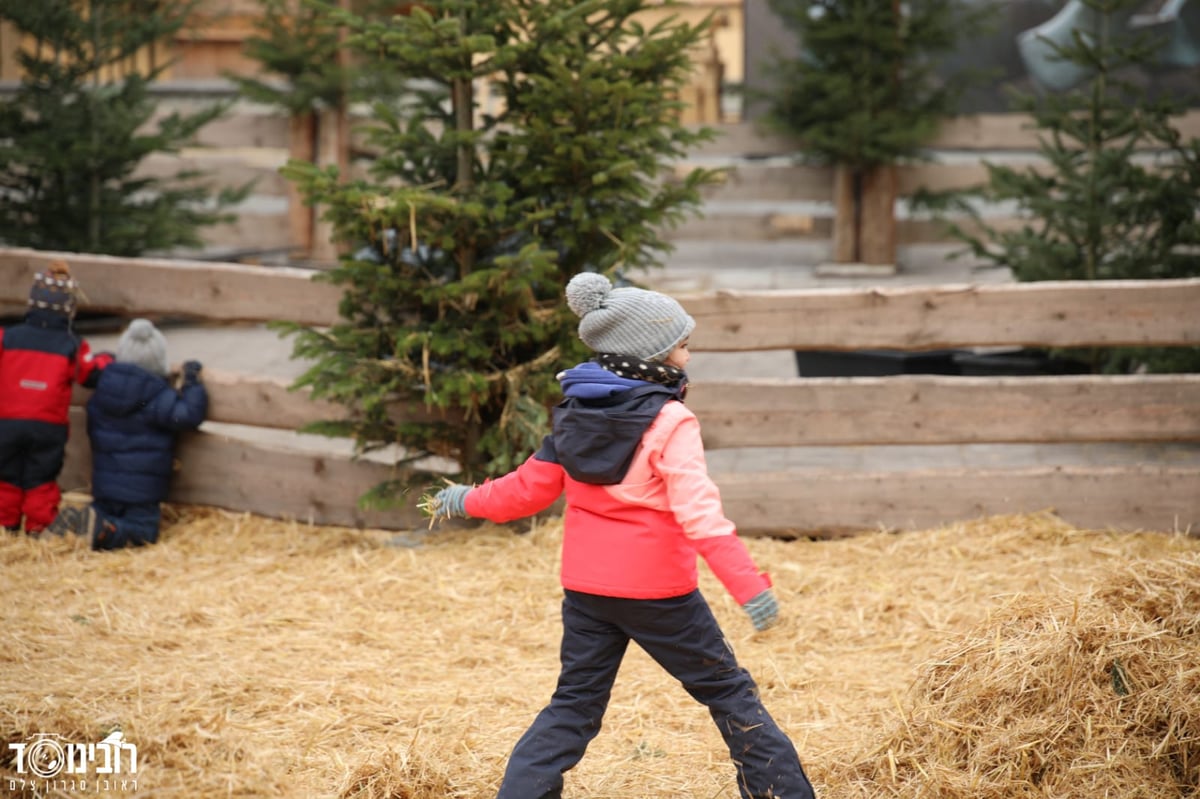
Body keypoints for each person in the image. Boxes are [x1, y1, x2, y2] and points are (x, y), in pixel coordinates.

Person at [426, 272, 816, 799]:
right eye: (680, 345)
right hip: (660, 595)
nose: (688, 356)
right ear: (650, 356)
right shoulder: (671, 422)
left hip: (588, 593)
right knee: (729, 694)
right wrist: (749, 586)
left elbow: (524, 491)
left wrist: (466, 498)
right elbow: (700, 516)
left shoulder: (573, 414)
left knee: (573, 706)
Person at [51, 319, 208, 550]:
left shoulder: (104, 391)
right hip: (141, 494)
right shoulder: (155, 398)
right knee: (143, 532)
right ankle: (105, 532)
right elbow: (187, 415)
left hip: (104, 487)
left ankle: (80, 524)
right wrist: (192, 384)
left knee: (103, 513)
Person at [0, 262, 112, 535]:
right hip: (48, 427)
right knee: (41, 478)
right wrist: (108, 360)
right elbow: (90, 374)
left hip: (6, 422)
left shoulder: (6, 337)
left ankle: (6, 526)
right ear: (69, 310)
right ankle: (38, 528)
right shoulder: (72, 345)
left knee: (5, 475)